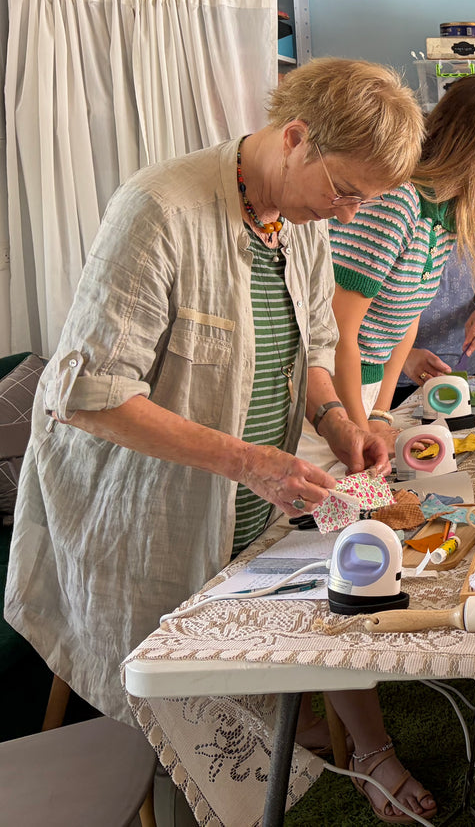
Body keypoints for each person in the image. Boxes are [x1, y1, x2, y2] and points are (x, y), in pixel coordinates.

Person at [4, 59, 444, 822]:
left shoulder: (294, 223)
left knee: (325, 583)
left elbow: (308, 347)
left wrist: (340, 422)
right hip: (140, 514)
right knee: (183, 715)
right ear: (296, 138)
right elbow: (89, 395)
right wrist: (249, 461)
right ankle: (236, 767)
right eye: (344, 191)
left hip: (249, 494)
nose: (347, 214)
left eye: (364, 201)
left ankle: (336, 741)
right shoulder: (159, 207)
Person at [296, 74, 475, 469]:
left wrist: (379, 416)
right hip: (328, 401)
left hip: (363, 393)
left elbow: (405, 322)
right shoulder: (396, 202)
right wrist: (358, 426)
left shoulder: (444, 214)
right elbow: (338, 334)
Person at [396, 195, 475, 399]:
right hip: (391, 376)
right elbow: (350, 317)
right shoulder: (396, 205)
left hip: (467, 370)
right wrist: (402, 357)